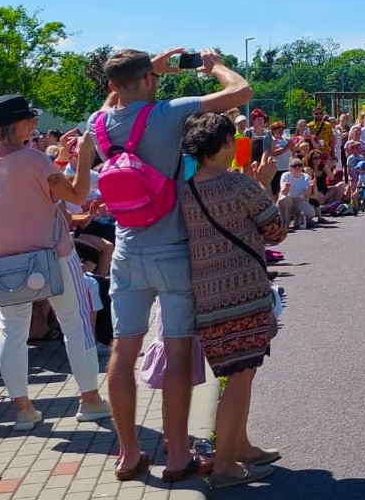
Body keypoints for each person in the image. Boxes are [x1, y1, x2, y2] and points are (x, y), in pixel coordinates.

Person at [91, 48, 252, 483]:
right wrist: (212, 65)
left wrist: (146, 71)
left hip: (126, 252)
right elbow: (241, 92)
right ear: (148, 79)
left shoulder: (99, 123)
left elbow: (112, 102)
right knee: (179, 352)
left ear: (110, 84)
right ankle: (177, 454)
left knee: (124, 352)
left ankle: (128, 454)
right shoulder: (168, 113)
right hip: (174, 247)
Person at [0, 95, 110, 431]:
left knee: (12, 332)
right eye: (28, 119)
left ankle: (23, 408)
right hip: (53, 256)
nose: (35, 123)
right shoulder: (35, 160)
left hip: (7, 263)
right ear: (12, 125)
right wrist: (85, 153)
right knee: (75, 324)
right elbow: (77, 196)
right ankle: (90, 400)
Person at [178, 112, 286, 488]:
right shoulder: (240, 185)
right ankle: (224, 465)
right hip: (245, 296)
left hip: (208, 300)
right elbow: (276, 232)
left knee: (239, 374)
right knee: (240, 379)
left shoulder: (186, 191)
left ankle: (241, 445)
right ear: (225, 144)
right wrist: (267, 185)